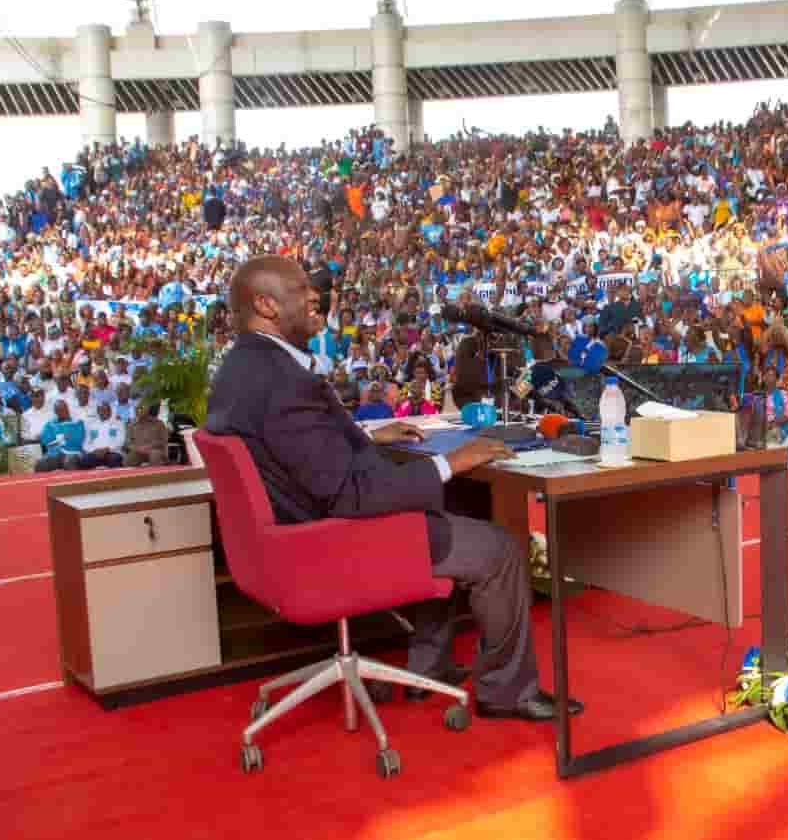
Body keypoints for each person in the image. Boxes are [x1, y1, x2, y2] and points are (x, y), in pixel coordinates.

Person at [204, 255, 581, 722]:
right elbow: (352, 494)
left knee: (452, 501)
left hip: (291, 536)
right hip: (330, 540)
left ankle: (431, 667)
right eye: (301, 288)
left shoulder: (243, 367)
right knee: (498, 547)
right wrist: (451, 460)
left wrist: (361, 436)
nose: (316, 295)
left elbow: (292, 444)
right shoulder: (282, 379)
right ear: (265, 303)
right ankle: (507, 692)